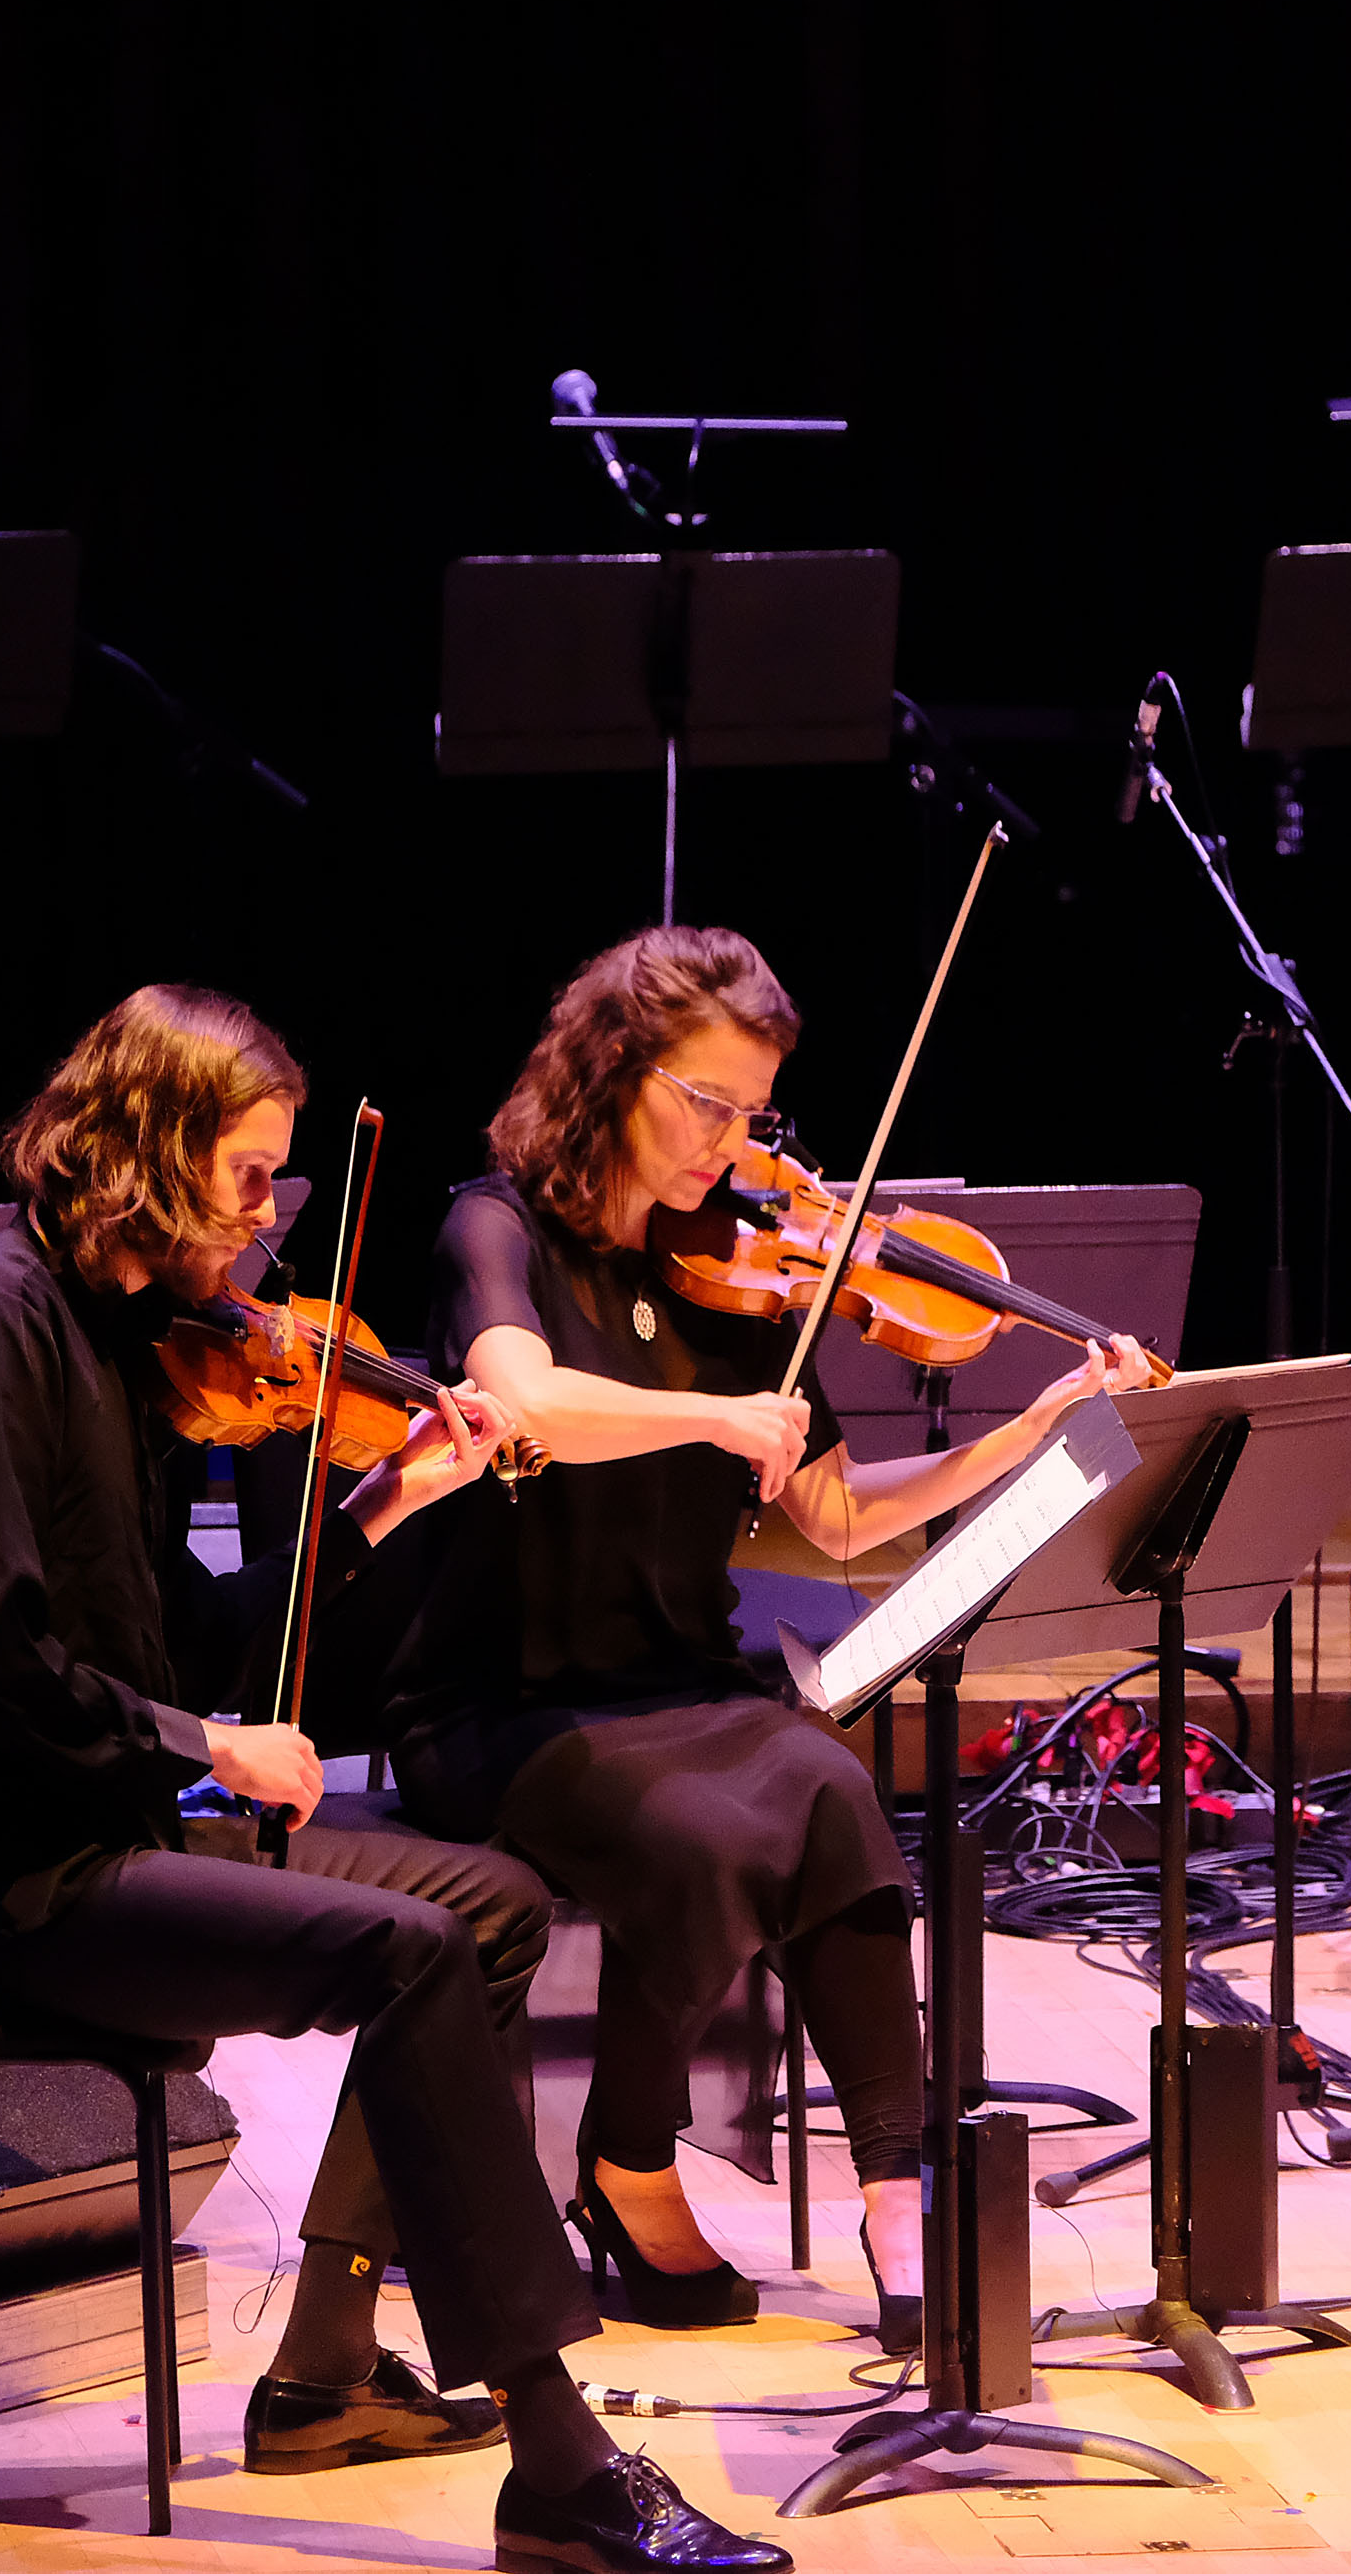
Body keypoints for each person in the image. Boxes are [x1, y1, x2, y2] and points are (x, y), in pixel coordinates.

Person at [0, 985, 789, 2573]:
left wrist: (382, 1502)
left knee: (481, 1902)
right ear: (144, 1148)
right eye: (245, 1175)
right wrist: (198, 1751)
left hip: (107, 1828)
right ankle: (560, 2461)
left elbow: (201, 1637)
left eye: (279, 1178)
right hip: (3, 1882)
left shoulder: (125, 1343)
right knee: (406, 1943)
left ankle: (329, 2366)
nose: (268, 1216)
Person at [375, 927, 1155, 2341]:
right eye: (706, 1104)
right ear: (612, 1071)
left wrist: (1031, 1431)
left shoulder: (735, 1275)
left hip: (673, 1676)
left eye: (754, 1115)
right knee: (713, 1834)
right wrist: (714, 1419)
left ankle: (899, 2197)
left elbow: (844, 1517)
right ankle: (624, 2156)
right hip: (502, 1704)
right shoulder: (494, 1230)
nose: (731, 1146)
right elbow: (529, 1399)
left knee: (833, 1789)